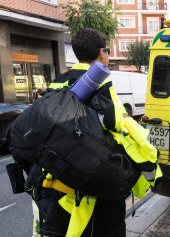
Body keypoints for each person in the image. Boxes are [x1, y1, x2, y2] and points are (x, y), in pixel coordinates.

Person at [38, 28, 128, 237]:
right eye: (106, 50)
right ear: (101, 53)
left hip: (60, 171)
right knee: (108, 227)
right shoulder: (100, 81)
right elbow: (113, 123)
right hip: (94, 172)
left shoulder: (58, 80)